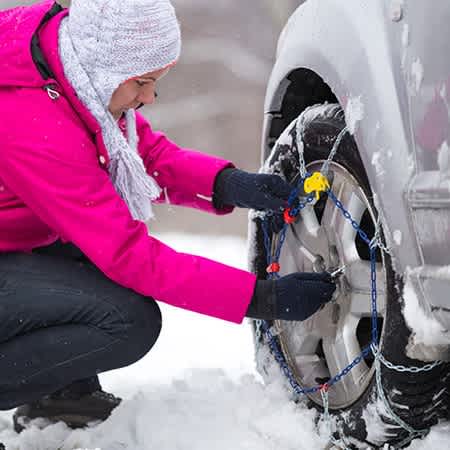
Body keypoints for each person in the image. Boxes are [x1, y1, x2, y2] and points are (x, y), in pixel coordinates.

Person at [0, 0, 336, 434]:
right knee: (127, 321)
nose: (149, 97)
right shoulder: (28, 121)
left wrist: (228, 184)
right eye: (142, 82)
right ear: (105, 67)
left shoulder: (66, 71)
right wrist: (262, 299)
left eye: (155, 82)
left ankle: (65, 392)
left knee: (80, 250)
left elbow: (139, 153)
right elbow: (129, 255)